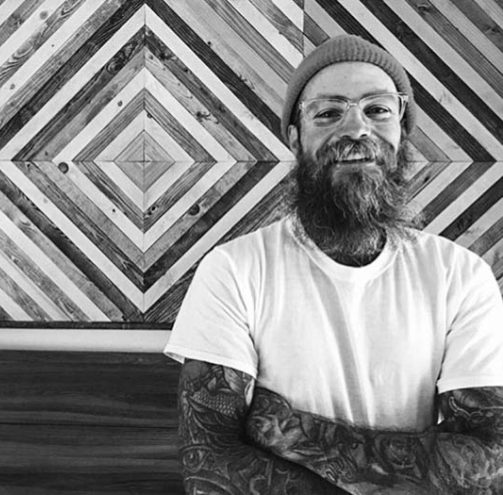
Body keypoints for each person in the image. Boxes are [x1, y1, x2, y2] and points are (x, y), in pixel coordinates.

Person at [164, 34, 503, 494]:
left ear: (401, 132)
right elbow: (209, 469)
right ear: (295, 138)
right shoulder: (234, 270)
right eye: (328, 113)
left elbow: (491, 463)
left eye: (377, 110)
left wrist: (295, 433)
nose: (357, 129)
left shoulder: (460, 275)